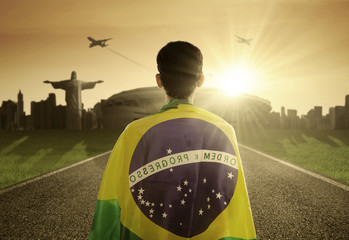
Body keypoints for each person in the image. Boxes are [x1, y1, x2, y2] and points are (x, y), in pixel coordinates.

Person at [89, 41, 256, 240]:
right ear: (201, 80)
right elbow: (234, 202)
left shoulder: (134, 132)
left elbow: (111, 199)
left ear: (159, 80)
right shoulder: (224, 130)